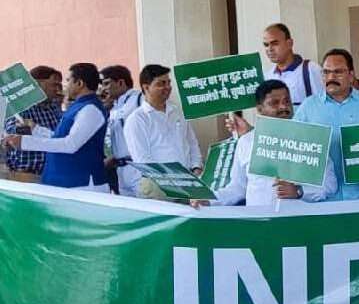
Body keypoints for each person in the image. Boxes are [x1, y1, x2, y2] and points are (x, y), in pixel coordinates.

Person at [195, 80, 336, 208]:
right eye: (274, 103)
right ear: (260, 108)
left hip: (299, 225)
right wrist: (208, 200)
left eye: (287, 101)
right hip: (259, 226)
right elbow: (237, 188)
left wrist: (299, 191)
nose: (283, 107)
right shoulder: (247, 142)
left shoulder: (311, 139)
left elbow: (330, 185)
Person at [4, 63, 109, 190]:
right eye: (56, 84)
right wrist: (36, 129)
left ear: (80, 83)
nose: (62, 88)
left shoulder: (90, 109)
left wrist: (25, 142)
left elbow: (70, 144)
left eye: (68, 81)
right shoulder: (79, 106)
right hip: (62, 180)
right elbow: (59, 137)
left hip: (82, 182)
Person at [294, 48, 359, 201]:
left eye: (338, 72)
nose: (331, 77)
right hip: (323, 200)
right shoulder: (308, 107)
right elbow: (292, 146)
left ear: (351, 75)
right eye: (326, 72)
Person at [124, 65, 202, 197]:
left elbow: (192, 143)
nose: (167, 87)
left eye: (168, 82)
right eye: (161, 83)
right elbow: (142, 159)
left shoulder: (177, 112)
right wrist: (173, 179)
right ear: (146, 87)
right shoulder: (137, 119)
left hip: (188, 183)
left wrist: (196, 167)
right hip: (157, 186)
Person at [3, 66, 63, 181]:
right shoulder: (20, 108)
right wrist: (28, 129)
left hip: (53, 173)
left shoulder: (55, 108)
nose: (57, 90)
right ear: (37, 84)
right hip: (27, 175)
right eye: (53, 85)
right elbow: (12, 133)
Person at [99, 65, 143, 196]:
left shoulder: (139, 99)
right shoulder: (114, 106)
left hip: (138, 167)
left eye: (107, 83)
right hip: (120, 169)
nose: (104, 89)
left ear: (120, 82)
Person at [262, 23, 323, 110]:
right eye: (266, 45)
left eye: (275, 43)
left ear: (289, 43)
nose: (270, 49)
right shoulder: (268, 77)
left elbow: (325, 106)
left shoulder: (311, 70)